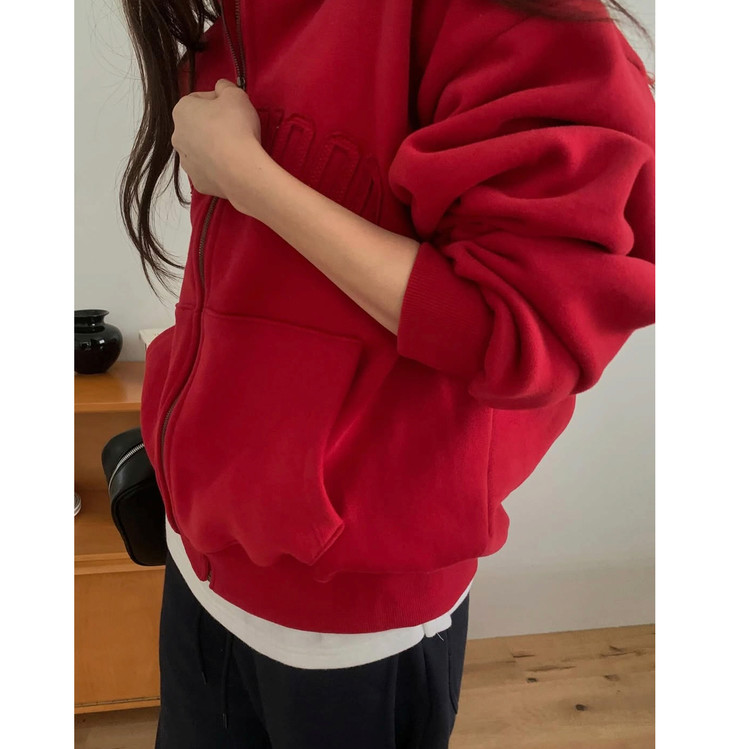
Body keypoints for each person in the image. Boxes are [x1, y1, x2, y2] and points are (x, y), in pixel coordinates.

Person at [119, 0, 655, 746]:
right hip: (200, 561)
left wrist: (251, 179)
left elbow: (524, 325)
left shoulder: (494, 15)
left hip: (349, 626)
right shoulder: (242, 18)